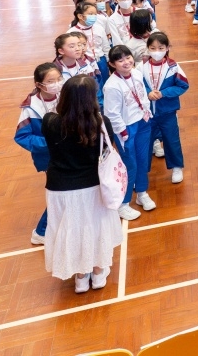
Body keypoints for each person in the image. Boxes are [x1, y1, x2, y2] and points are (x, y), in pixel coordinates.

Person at [42, 75, 123, 293]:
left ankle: (80, 277)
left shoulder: (49, 122)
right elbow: (107, 151)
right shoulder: (101, 123)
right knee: (95, 229)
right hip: (93, 186)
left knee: (70, 229)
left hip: (60, 187)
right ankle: (98, 273)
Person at [103, 45, 153, 220]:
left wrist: (147, 112)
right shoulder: (112, 86)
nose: (126, 62)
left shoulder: (137, 73)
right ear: (112, 64)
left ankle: (142, 192)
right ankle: (123, 204)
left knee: (143, 160)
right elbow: (111, 114)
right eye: (120, 60)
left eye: (128, 57)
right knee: (130, 165)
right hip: (126, 128)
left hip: (142, 122)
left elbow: (143, 96)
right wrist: (123, 132)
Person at [15, 63, 62, 245]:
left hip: (68, 152)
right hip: (50, 157)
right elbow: (22, 137)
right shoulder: (31, 108)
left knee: (64, 192)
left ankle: (56, 226)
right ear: (39, 84)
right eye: (51, 81)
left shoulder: (65, 95)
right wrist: (50, 142)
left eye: (59, 79)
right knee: (59, 192)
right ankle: (41, 231)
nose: (57, 83)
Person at [142, 32, 189, 183]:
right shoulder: (141, 67)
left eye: (161, 48)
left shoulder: (173, 67)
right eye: (153, 48)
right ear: (148, 48)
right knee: (145, 142)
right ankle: (142, 172)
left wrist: (164, 93)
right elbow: (136, 86)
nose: (157, 51)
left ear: (167, 48)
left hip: (167, 111)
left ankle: (176, 167)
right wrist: (147, 93)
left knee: (171, 139)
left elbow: (183, 85)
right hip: (147, 113)